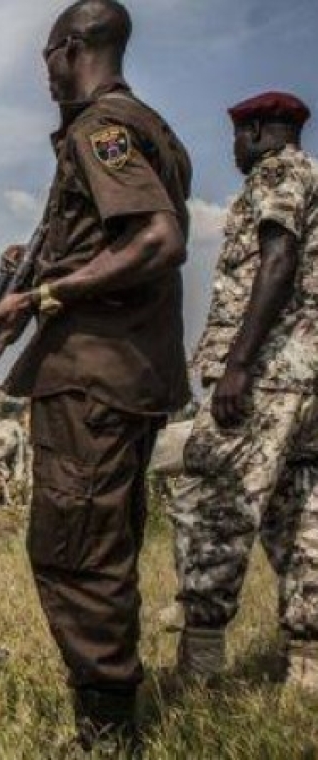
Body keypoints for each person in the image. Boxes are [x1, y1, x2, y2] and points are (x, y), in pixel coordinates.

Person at [0, 0, 191, 750]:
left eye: (47, 56)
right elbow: (116, 243)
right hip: (126, 374)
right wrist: (29, 292)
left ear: (71, 48)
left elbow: (157, 240)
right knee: (102, 545)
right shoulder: (149, 127)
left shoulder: (104, 130)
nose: (44, 72)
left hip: (93, 380)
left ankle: (106, 735)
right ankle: (111, 715)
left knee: (74, 551)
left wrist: (44, 293)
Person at [169, 92, 318, 692]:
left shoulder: (277, 173)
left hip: (267, 376)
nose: (233, 150)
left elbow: (276, 260)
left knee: (214, 504)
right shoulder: (313, 175)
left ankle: (199, 674)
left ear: (256, 130)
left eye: (236, 137)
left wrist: (237, 365)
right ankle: (308, 668)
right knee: (301, 512)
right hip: (305, 379)